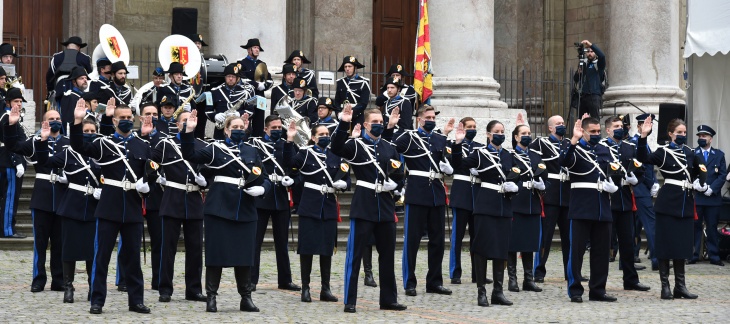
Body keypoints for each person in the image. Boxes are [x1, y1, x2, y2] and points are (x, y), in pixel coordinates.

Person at [70, 99, 153, 314]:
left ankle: (136, 300)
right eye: (121, 118)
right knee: (102, 256)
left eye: (128, 118)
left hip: (132, 207)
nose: (125, 121)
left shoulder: (142, 145)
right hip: (109, 206)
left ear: (133, 119)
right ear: (114, 120)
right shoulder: (104, 143)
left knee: (133, 257)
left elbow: (153, 168)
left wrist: (147, 184)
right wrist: (78, 121)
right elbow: (79, 146)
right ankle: (97, 300)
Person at [181, 111, 270, 313]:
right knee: (216, 255)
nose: (239, 130)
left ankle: (245, 298)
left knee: (245, 256)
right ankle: (211, 297)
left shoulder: (251, 151)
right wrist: (188, 132)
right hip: (219, 208)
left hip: (245, 209)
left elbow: (264, 176)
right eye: (234, 128)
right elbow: (190, 155)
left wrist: (263, 189)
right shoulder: (215, 149)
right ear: (227, 130)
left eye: (241, 127)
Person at [331, 105, 406, 313]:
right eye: (374, 122)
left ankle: (389, 299)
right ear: (365, 124)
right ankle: (350, 300)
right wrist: (343, 123)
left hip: (385, 205)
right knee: (355, 255)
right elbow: (336, 148)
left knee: (388, 255)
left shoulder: (388, 147)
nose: (378, 125)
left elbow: (398, 172)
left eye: (380, 122)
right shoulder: (356, 145)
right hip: (364, 205)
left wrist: (397, 186)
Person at [451, 119, 519, 307]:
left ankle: (498, 291)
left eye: (502, 131)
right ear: (489, 134)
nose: (500, 134)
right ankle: (481, 291)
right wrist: (457, 144)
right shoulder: (480, 154)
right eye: (496, 131)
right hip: (485, 205)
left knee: (501, 250)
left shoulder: (507, 155)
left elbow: (517, 173)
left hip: (504, 206)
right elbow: (459, 165)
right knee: (481, 248)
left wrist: (515, 186)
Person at [391, 105, 455, 297]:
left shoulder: (439, 139)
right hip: (417, 192)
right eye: (427, 117)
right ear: (419, 119)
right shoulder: (409, 137)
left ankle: (434, 281)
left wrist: (449, 165)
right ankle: (409, 282)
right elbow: (390, 146)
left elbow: (449, 161)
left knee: (437, 241)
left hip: (436, 193)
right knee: (412, 240)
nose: (431, 120)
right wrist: (390, 126)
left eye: (433, 118)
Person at [636, 117, 702, 300]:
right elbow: (642, 159)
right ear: (671, 134)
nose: (682, 135)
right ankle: (665, 286)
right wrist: (643, 136)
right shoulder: (663, 152)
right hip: (668, 203)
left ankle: (680, 286)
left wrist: (700, 182)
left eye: (684, 132)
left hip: (685, 203)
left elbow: (699, 171)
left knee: (682, 246)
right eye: (679, 132)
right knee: (665, 245)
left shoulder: (690, 152)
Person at [284, 124, 350, 303]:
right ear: (313, 137)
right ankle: (305, 288)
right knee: (307, 249)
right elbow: (289, 164)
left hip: (328, 206)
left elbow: (346, 176)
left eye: (327, 134)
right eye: (321, 134)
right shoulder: (305, 153)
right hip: (310, 205)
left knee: (326, 250)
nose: (325, 136)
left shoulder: (334, 155)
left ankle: (325, 288)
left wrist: (344, 184)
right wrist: (290, 140)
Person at [4, 106, 65, 295]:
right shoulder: (34, 141)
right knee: (40, 242)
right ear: (45, 122)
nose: (56, 121)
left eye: (58, 118)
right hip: (42, 196)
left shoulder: (69, 143)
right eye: (51, 118)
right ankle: (38, 279)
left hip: (63, 196)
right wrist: (11, 126)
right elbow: (12, 146)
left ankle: (59, 279)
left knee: (60, 243)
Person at [42, 117, 102, 303]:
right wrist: (43, 141)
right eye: (86, 131)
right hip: (71, 207)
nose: (90, 134)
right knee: (69, 249)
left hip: (95, 207)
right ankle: (68, 286)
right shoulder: (69, 153)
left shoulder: (102, 153)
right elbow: (46, 162)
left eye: (93, 131)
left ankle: (94, 286)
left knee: (93, 250)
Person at [559, 115, 618, 303]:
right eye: (592, 131)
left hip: (602, 207)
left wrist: (614, 183)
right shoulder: (574, 149)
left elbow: (614, 170)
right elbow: (564, 161)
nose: (596, 134)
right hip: (582, 207)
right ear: (583, 131)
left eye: (598, 131)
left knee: (601, 252)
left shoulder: (603, 150)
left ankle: (598, 289)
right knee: (576, 252)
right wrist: (574, 140)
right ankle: (575, 289)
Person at [151, 110, 207, 303]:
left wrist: (205, 181)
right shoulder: (166, 144)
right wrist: (155, 178)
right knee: (168, 248)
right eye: (184, 120)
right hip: (172, 198)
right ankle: (164, 288)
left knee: (195, 248)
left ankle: (194, 289)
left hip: (193, 198)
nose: (188, 123)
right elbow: (150, 163)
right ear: (176, 124)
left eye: (191, 119)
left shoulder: (200, 145)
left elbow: (210, 171)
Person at [248, 115, 300, 292]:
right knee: (255, 242)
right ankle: (251, 279)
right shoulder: (257, 144)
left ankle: (285, 279)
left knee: (282, 242)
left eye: (280, 127)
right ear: (266, 129)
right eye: (274, 127)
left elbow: (292, 165)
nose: (278, 130)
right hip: (263, 196)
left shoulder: (286, 145)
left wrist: (290, 180)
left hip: (280, 196)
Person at [599, 116, 650, 291]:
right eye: (616, 126)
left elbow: (641, 164)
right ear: (608, 130)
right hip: (607, 199)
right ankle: (600, 282)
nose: (620, 128)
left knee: (628, 243)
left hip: (626, 200)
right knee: (604, 244)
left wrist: (636, 179)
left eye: (621, 126)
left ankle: (631, 280)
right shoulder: (601, 147)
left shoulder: (629, 147)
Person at [530, 115, 577, 283]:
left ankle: (569, 271)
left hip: (567, 194)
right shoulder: (541, 143)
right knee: (545, 237)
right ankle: (539, 270)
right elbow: (532, 159)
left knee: (569, 239)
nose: (562, 125)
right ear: (550, 128)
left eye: (563, 123)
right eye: (558, 124)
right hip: (550, 194)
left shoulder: (569, 144)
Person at [506, 123, 546, 294]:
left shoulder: (536, 156)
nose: (527, 136)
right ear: (516, 137)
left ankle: (528, 279)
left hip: (533, 204)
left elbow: (545, 176)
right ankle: (512, 279)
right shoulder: (510, 156)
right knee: (513, 243)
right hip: (517, 202)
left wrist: (543, 185)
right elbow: (507, 175)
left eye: (529, 133)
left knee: (529, 243)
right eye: (523, 133)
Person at [447, 117, 486, 285]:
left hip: (477, 194)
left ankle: (477, 273)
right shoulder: (454, 145)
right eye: (469, 126)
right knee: (457, 236)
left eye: (474, 127)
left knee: (477, 237)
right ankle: (455, 272)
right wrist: (458, 142)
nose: (472, 129)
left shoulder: (480, 148)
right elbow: (453, 165)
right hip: (462, 193)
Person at [690, 125, 727, 266]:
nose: (701, 138)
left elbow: (722, 175)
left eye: (704, 136)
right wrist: (696, 184)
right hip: (698, 197)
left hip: (712, 198)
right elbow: (690, 172)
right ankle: (694, 254)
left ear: (710, 139)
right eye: (699, 136)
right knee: (695, 226)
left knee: (712, 227)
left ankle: (714, 255)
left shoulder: (719, 155)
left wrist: (711, 189)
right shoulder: (693, 153)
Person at [629, 114, 659, 270]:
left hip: (643, 188)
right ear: (639, 126)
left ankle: (630, 258)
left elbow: (648, 165)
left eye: (651, 124)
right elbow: (640, 167)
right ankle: (656, 259)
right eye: (645, 124)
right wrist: (651, 182)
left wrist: (653, 181)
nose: (649, 126)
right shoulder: (635, 143)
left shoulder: (643, 143)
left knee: (634, 226)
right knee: (650, 224)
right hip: (639, 188)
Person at [0, 88, 28, 239]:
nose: (18, 104)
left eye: (20, 102)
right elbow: (8, 142)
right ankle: (8, 230)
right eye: (15, 101)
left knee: (12, 196)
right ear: (8, 102)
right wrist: (17, 162)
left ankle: (8, 227)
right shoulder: (7, 117)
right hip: (9, 161)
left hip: (12, 160)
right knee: (10, 196)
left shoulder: (13, 116)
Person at [208, 63, 255, 140]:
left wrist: (239, 114)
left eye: (233, 77)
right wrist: (215, 116)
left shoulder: (247, 91)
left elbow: (251, 111)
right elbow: (208, 111)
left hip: (240, 130)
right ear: (225, 77)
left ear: (237, 78)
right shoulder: (215, 91)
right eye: (228, 76)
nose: (230, 79)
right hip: (221, 131)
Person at [238, 38, 272, 137]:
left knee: (259, 122)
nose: (257, 50)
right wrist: (257, 85)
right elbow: (242, 79)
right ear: (249, 50)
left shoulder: (262, 64)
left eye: (258, 48)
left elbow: (270, 80)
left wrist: (264, 86)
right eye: (255, 48)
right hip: (247, 98)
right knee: (246, 121)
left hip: (260, 98)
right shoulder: (242, 63)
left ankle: (257, 141)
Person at [573, 40, 606, 118]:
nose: (590, 53)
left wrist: (591, 45)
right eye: (588, 52)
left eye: (592, 51)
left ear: (595, 53)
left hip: (594, 95)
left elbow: (602, 56)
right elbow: (576, 79)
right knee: (581, 120)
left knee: (595, 119)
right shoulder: (584, 63)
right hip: (583, 96)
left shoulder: (599, 64)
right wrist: (578, 73)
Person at [334, 56, 371, 126]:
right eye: (345, 67)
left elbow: (363, 103)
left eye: (350, 66)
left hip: (357, 118)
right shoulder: (341, 82)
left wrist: (351, 112)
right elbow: (337, 101)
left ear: (355, 68)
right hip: (342, 115)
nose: (347, 69)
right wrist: (339, 113)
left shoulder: (364, 82)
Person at [59, 67, 89, 132]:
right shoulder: (69, 97)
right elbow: (67, 120)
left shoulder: (86, 96)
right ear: (74, 82)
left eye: (86, 78)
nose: (85, 80)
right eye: (81, 78)